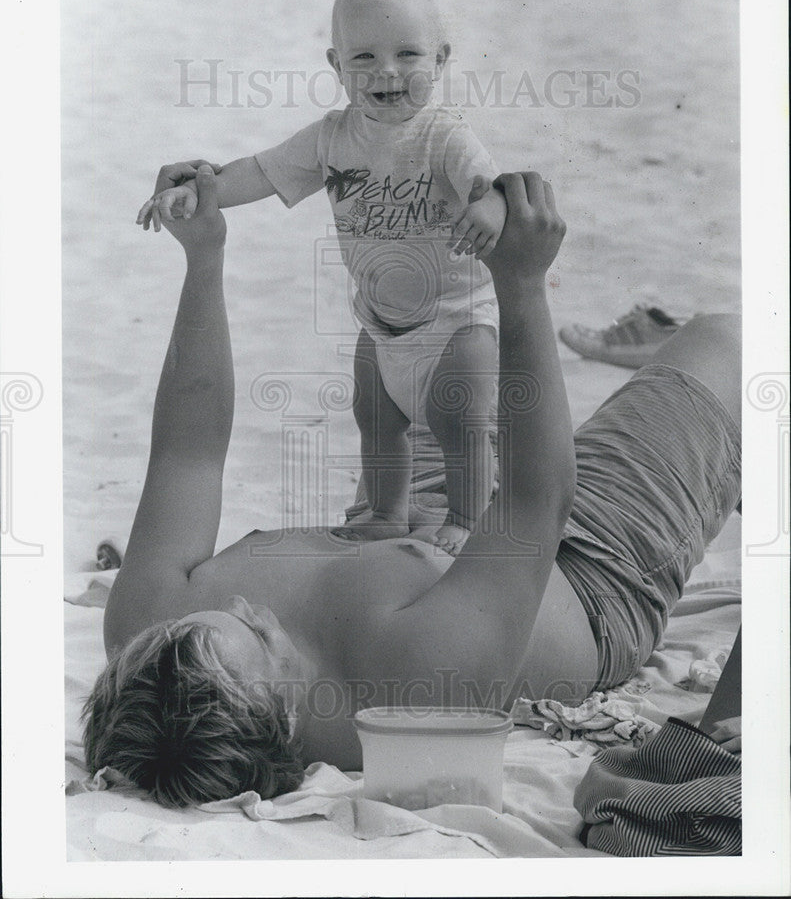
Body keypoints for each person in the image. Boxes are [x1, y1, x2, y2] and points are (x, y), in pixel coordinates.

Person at [84, 164, 741, 808]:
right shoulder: (415, 684)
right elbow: (534, 499)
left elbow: (188, 450)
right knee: (735, 341)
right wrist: (522, 284)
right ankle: (686, 351)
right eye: (257, 639)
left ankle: (672, 358)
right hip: (585, 567)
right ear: (283, 720)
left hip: (408, 535)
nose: (248, 607)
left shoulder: (151, 635)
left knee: (426, 293)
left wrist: (203, 256)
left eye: (210, 616)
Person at [136, 0, 509, 555]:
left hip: (457, 317)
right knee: (377, 419)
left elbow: (492, 189)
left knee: (460, 425)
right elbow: (260, 171)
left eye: (407, 53)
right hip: (382, 321)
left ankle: (465, 517)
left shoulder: (446, 139)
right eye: (364, 57)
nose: (386, 71)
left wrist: (487, 207)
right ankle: (387, 511)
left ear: (440, 60)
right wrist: (200, 188)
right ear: (336, 66)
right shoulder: (332, 138)